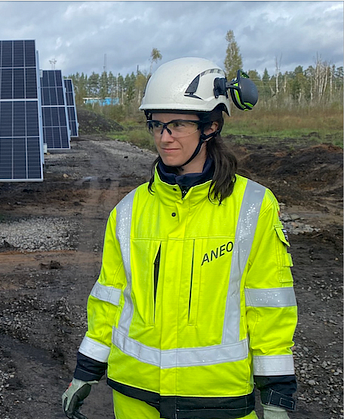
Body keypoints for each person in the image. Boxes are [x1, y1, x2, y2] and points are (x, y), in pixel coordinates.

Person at [62, 57, 297, 419]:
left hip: (218, 399)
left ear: (211, 126)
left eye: (177, 125)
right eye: (156, 125)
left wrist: (277, 394)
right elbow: (110, 297)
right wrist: (86, 371)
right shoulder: (128, 210)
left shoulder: (253, 206)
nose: (163, 137)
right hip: (135, 396)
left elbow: (269, 305)